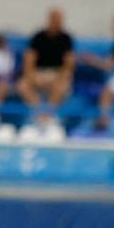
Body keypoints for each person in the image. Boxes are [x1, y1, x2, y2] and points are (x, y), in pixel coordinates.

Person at [19, 8, 74, 139]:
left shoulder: (66, 38)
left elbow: (69, 62)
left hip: (57, 74)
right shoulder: (38, 37)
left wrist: (59, 76)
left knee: (61, 86)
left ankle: (48, 117)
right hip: (39, 72)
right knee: (23, 86)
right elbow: (29, 59)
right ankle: (40, 115)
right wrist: (32, 76)